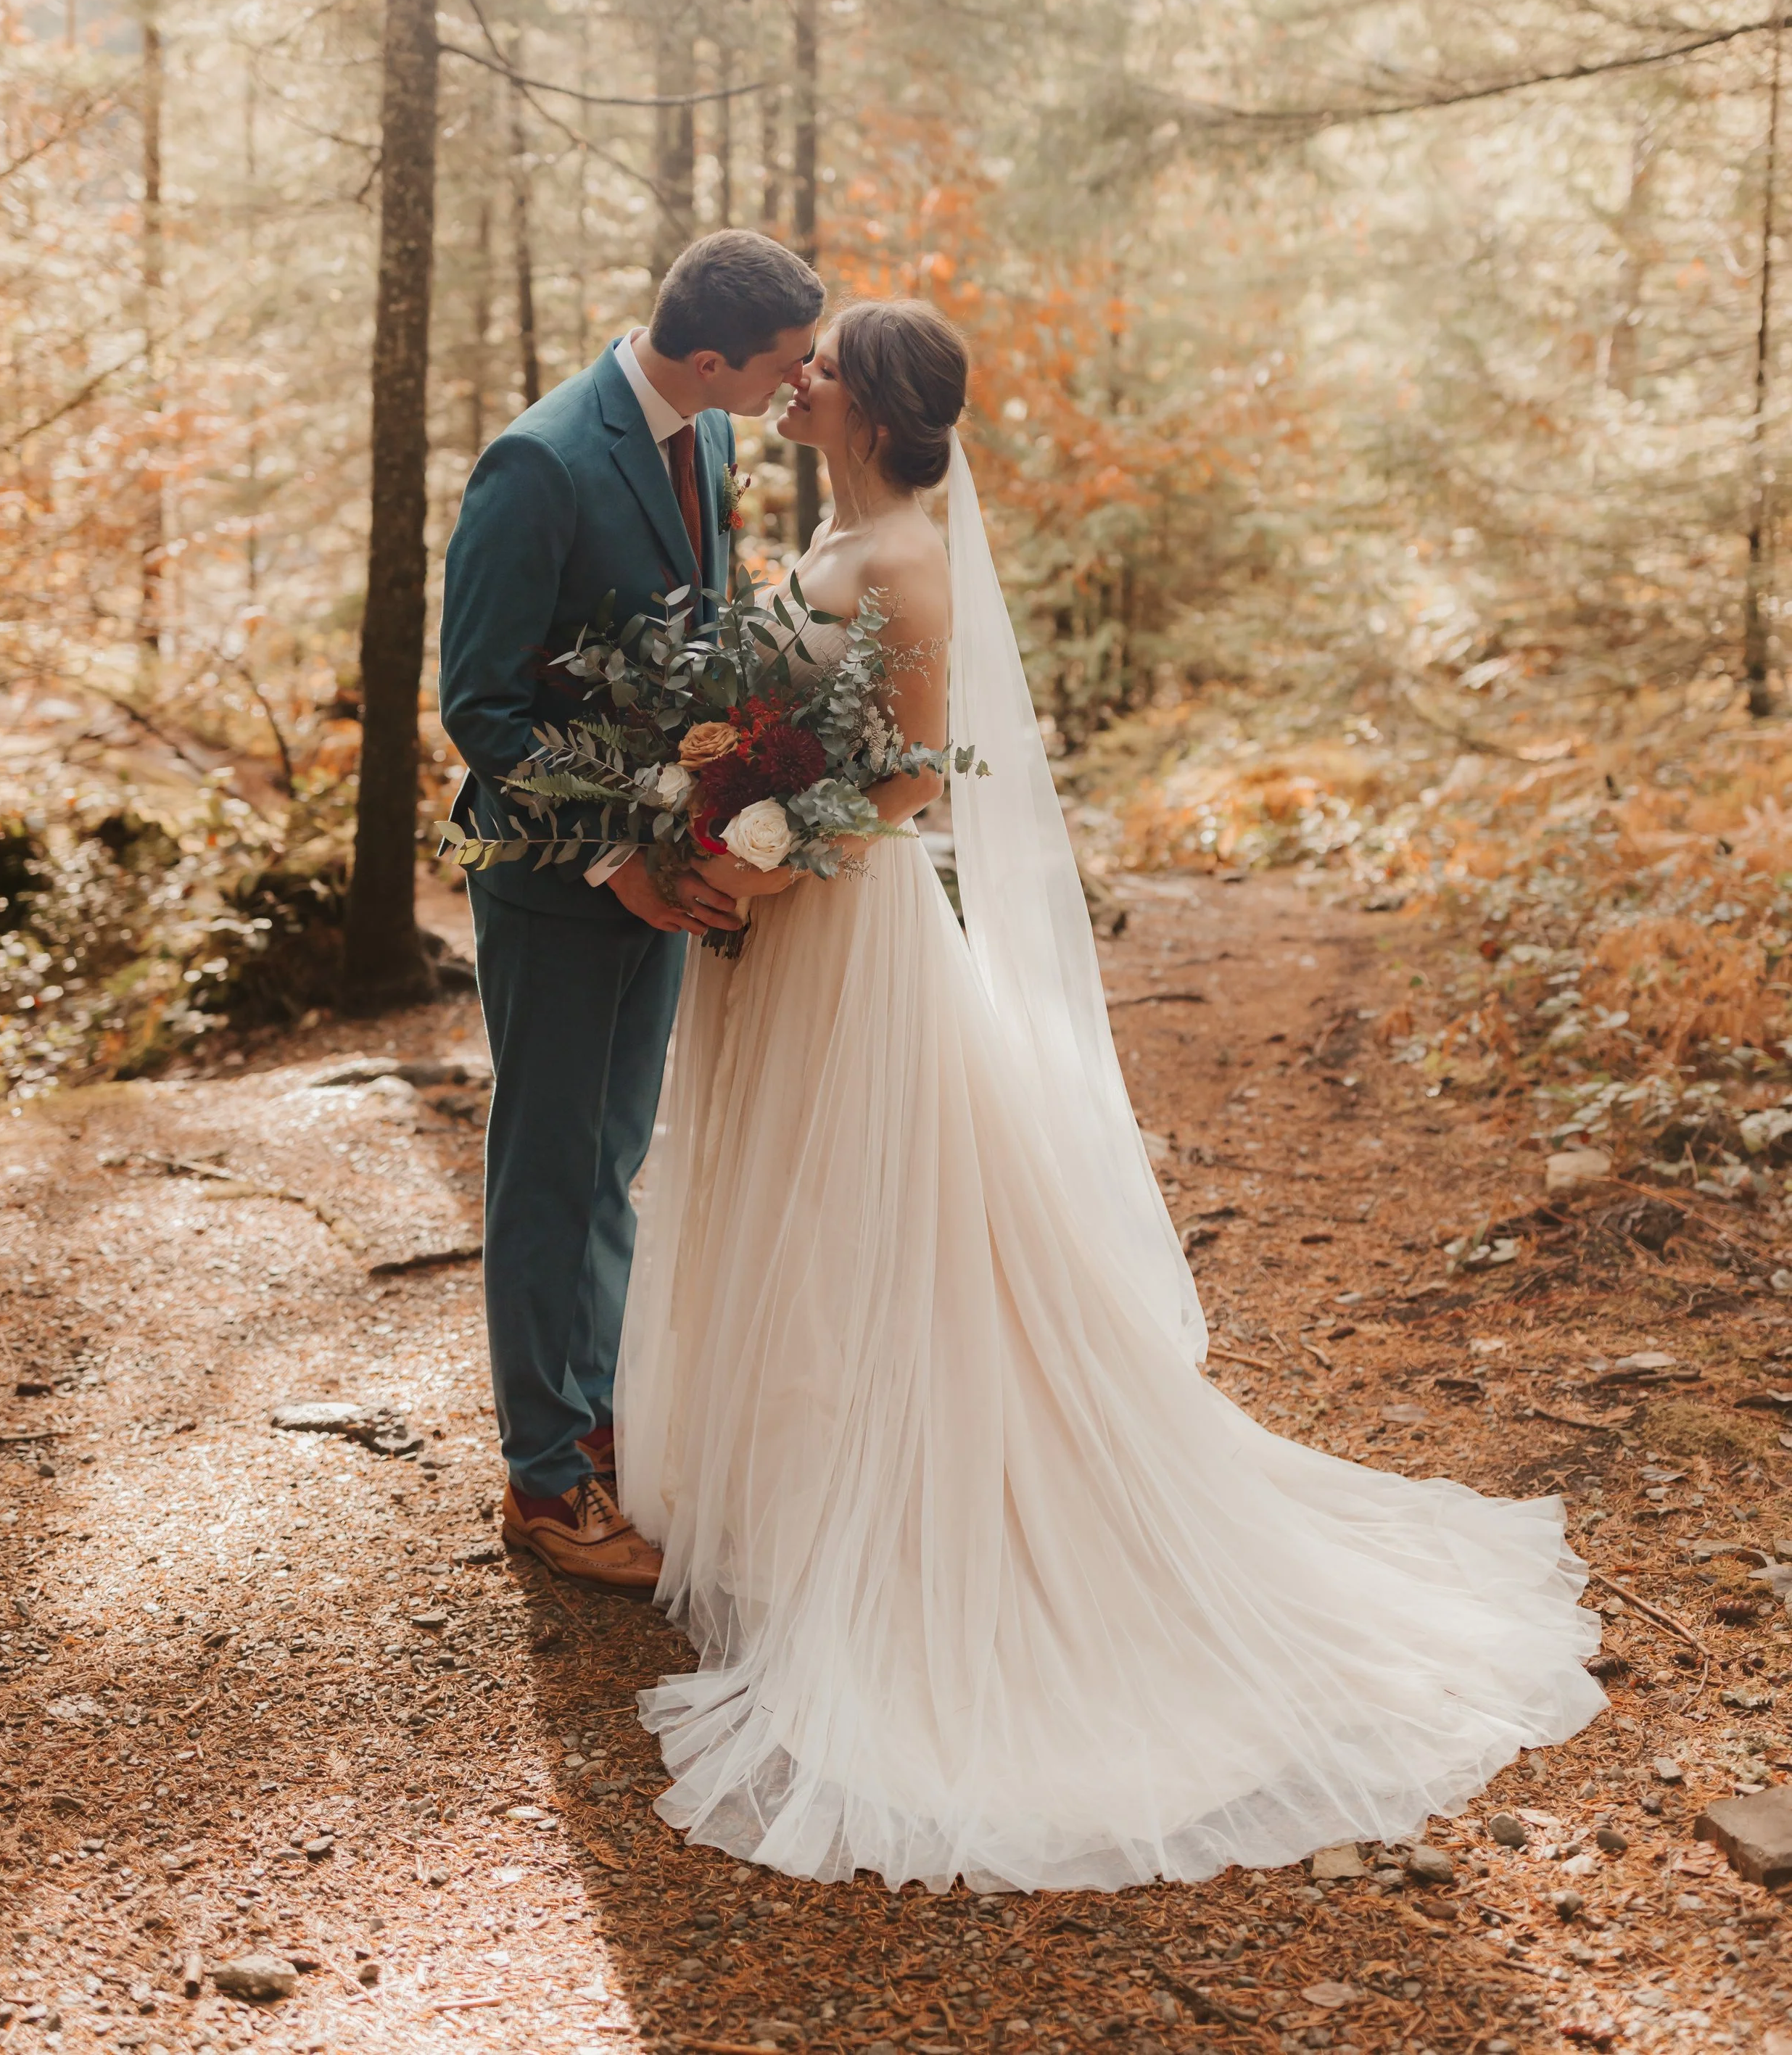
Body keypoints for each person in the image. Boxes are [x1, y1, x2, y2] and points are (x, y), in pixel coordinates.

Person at [617, 297, 1604, 1890]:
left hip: (845, 922)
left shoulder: (913, 557)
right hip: (784, 919)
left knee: (874, 1198)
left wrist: (770, 843)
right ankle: (804, 1496)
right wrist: (721, 791)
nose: (792, 382)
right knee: (796, 1189)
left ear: (867, 404)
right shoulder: (830, 534)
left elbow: (921, 771)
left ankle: (914, 1518)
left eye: (820, 367)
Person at [439, 230, 825, 1593]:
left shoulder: (708, 441)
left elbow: (696, 645)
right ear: (711, 356)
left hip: (662, 874)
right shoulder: (536, 462)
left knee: (609, 1161)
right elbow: (482, 709)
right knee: (547, 1172)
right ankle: (543, 1483)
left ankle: (590, 1410)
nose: (796, 389)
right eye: (780, 368)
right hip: (558, 883)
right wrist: (617, 858)